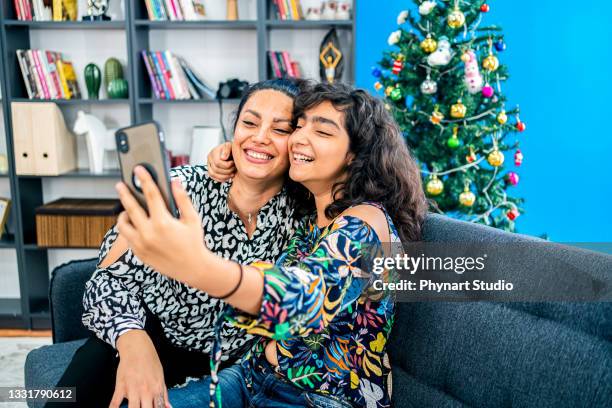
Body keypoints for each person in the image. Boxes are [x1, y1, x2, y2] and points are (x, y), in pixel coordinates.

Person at [113, 81, 429, 407]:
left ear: (354, 155)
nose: (298, 139)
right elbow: (261, 156)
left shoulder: (368, 221)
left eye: (322, 132)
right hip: (250, 378)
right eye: (299, 126)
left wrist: (198, 266)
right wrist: (230, 152)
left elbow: (305, 297)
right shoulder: (305, 217)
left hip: (318, 399)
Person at [46, 79, 308, 408]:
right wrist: (133, 340)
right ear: (234, 130)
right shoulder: (182, 188)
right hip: (157, 333)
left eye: (280, 129)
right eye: (249, 123)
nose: (259, 137)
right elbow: (106, 279)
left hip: (239, 366)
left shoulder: (305, 215)